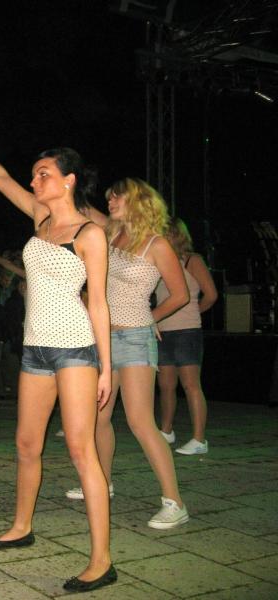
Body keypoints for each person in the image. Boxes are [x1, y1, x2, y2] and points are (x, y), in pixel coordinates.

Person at [0, 140, 114, 592]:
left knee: (81, 451)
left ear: (68, 180)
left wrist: (107, 367)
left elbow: (98, 303)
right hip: (35, 349)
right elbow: (0, 179)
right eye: (34, 175)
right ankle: (21, 527)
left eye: (43, 174)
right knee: (26, 444)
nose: (34, 181)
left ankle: (101, 560)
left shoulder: (89, 233)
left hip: (75, 350)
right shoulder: (40, 218)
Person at [70, 177, 190, 530]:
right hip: (103, 339)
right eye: (109, 197)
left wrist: (150, 318)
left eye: (116, 197)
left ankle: (174, 502)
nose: (110, 202)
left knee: (140, 421)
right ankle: (101, 484)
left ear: (137, 201)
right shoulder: (110, 233)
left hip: (135, 337)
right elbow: (79, 207)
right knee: (98, 418)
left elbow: (180, 295)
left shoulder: (157, 243)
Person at [156, 217, 217, 455]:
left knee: (191, 385)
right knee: (166, 385)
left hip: (187, 331)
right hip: (162, 330)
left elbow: (211, 295)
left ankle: (199, 439)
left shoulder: (192, 260)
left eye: (164, 232)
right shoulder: (159, 261)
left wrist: (192, 314)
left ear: (176, 234)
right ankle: (166, 430)